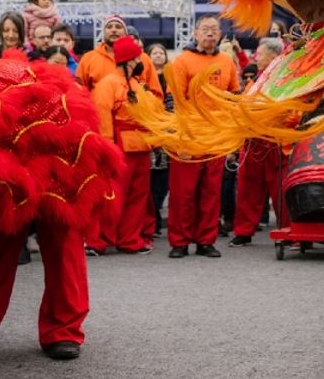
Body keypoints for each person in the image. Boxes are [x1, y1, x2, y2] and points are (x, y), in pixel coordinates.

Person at [164, 16, 240, 259]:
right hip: (189, 134)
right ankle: (179, 241)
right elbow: (173, 100)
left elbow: (234, 97)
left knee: (211, 191)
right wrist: (177, 134)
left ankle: (206, 240)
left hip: (216, 135)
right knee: (183, 192)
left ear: (219, 35)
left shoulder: (226, 61)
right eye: (205, 29)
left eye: (214, 29)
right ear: (195, 33)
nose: (210, 33)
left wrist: (232, 132)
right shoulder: (182, 61)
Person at [87, 36, 153, 255]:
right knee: (112, 195)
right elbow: (103, 116)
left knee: (137, 195)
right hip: (120, 146)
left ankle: (129, 238)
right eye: (136, 58)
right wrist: (108, 148)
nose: (140, 61)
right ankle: (98, 240)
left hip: (141, 146)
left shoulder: (136, 84)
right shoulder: (108, 84)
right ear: (127, 61)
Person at [230, 37, 286, 247]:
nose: (256, 57)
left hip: (275, 139)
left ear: (274, 56)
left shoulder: (285, 79)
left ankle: (286, 230)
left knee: (279, 188)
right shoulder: (257, 80)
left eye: (259, 54)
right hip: (253, 140)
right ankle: (244, 231)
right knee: (248, 188)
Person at [78, 15, 161, 96]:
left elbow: (156, 93)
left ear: (125, 33)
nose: (114, 30)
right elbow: (79, 92)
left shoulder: (142, 58)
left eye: (118, 27)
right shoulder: (88, 58)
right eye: (109, 27)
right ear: (103, 32)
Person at [146, 43, 173, 236]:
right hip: (148, 132)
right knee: (149, 180)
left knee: (162, 180)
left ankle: (155, 217)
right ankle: (152, 220)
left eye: (161, 52)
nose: (157, 56)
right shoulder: (143, 78)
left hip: (166, 134)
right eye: (153, 53)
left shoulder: (171, 77)